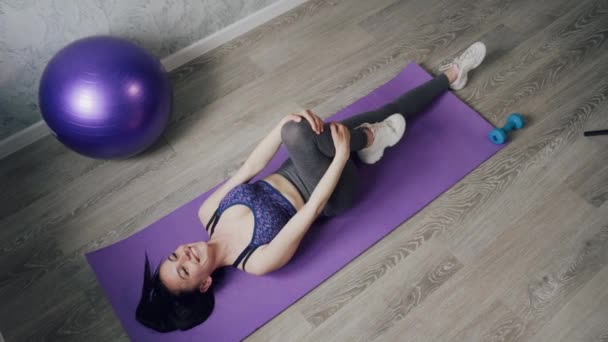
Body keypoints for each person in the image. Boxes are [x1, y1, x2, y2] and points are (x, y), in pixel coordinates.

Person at [136, 42, 487, 332]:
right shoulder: (255, 262)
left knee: (369, 115)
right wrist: (340, 157)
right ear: (204, 284)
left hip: (298, 163)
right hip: (332, 194)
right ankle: (364, 140)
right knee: (304, 134)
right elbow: (312, 210)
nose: (184, 254)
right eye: (184, 269)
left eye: (174, 255)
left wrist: (279, 125)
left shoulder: (207, 213)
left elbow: (250, 168)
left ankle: (449, 77)